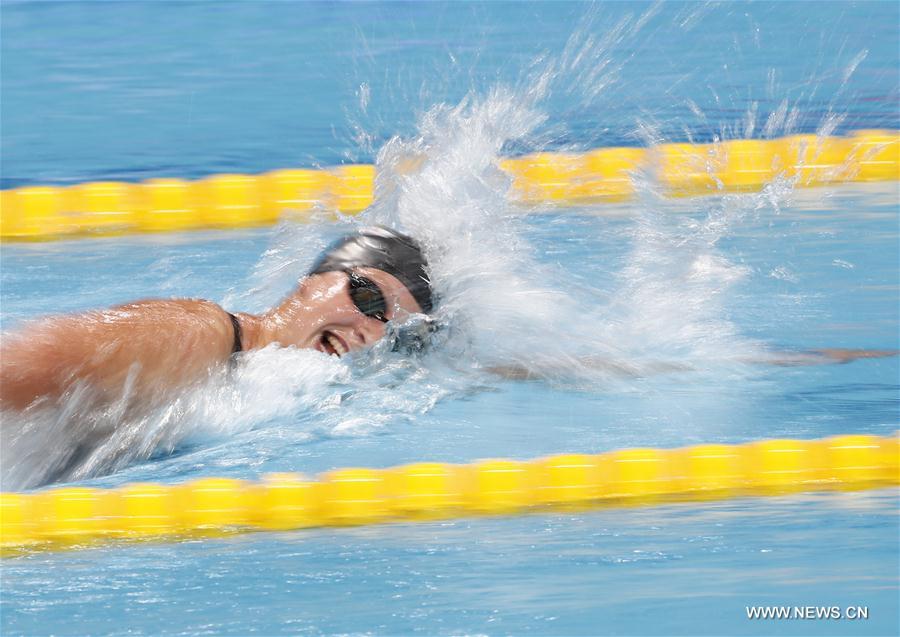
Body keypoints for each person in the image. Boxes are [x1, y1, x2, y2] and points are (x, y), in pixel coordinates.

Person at [0, 226, 434, 412]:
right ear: (312, 280)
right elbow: (23, 361)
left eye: (394, 331)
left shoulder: (246, 380)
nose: (373, 330)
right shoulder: (199, 334)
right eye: (369, 297)